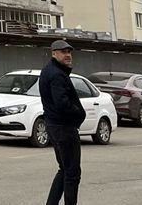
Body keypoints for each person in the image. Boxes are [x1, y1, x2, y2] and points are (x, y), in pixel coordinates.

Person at [39, 39, 85, 205]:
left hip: (55, 126)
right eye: (63, 52)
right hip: (64, 128)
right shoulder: (57, 74)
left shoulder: (48, 71)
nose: (68, 55)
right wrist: (79, 113)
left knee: (64, 169)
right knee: (72, 173)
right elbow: (62, 103)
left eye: (69, 52)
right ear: (54, 53)